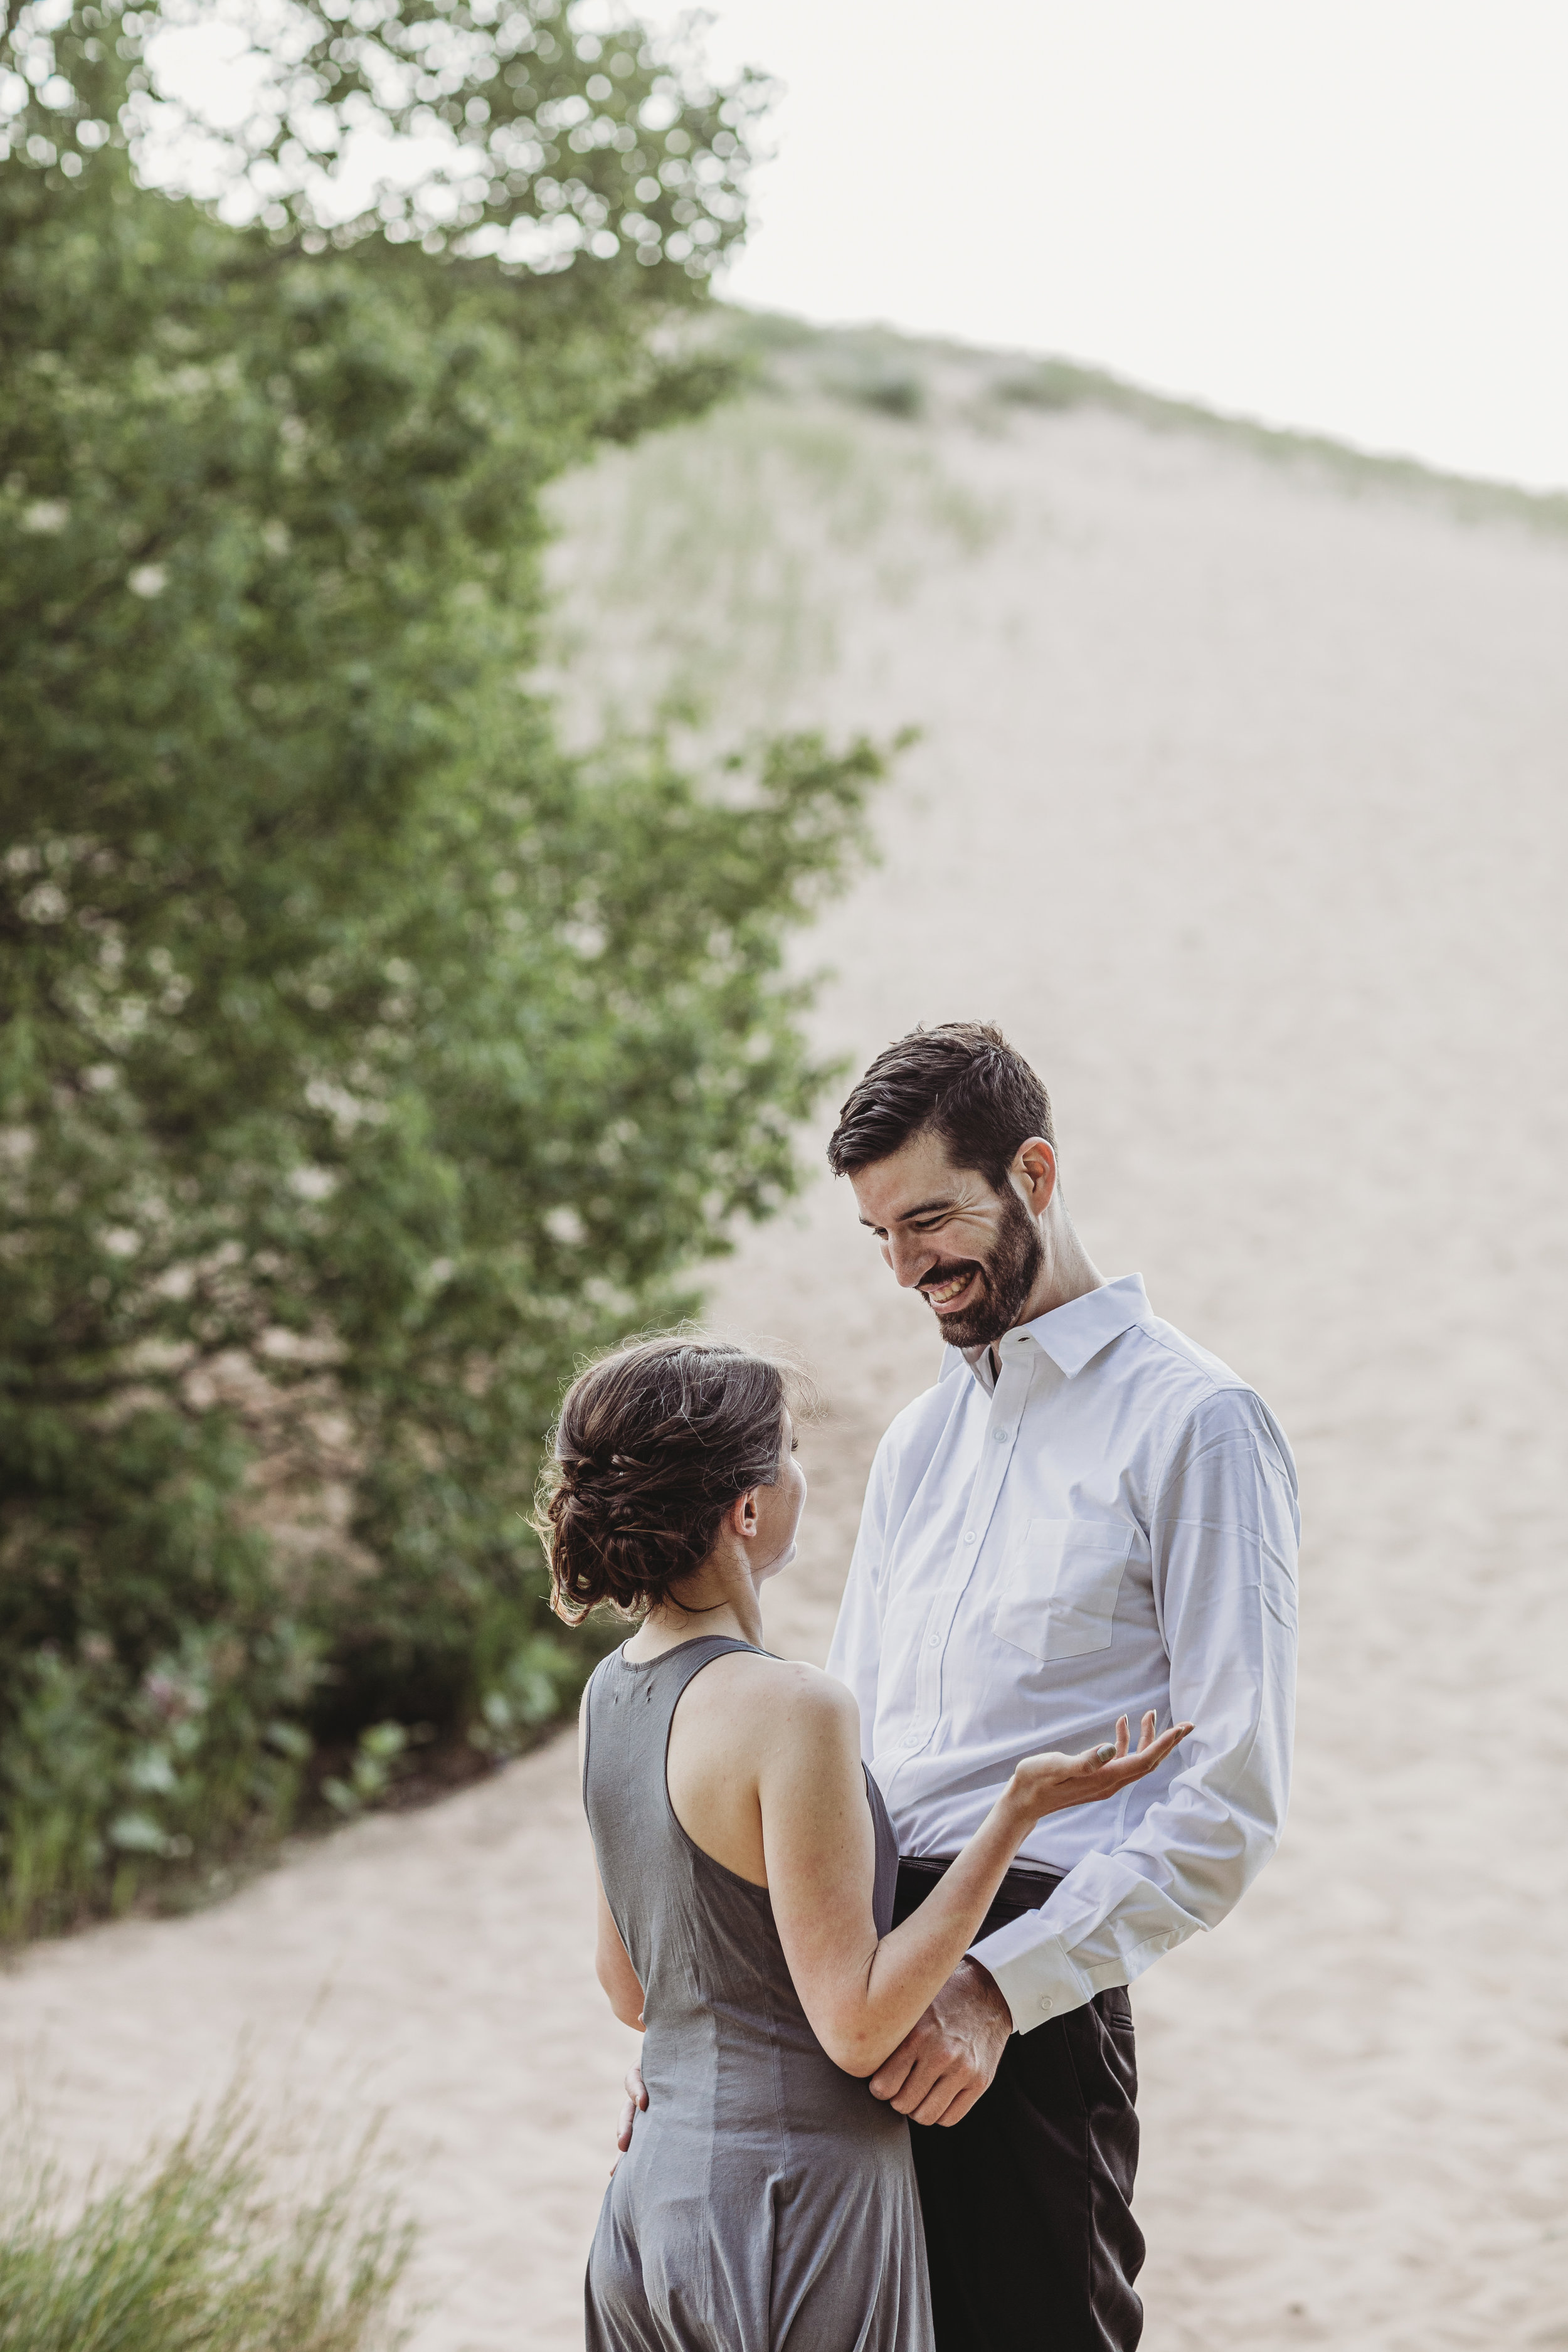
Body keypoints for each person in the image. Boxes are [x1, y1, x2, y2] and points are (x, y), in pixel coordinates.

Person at [548, 1335, 1189, 2351]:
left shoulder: (609, 1696)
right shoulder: (794, 1706)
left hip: (651, 2208)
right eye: (790, 1448)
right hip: (799, 2206)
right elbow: (853, 2022)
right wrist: (1015, 1814)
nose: (805, 1470)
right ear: (745, 1510)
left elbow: (629, 1989)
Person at [815, 1020, 1301, 2350]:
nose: (909, 1269)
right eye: (881, 1240)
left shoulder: (1194, 1424)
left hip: (1021, 1998)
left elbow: (1226, 1806)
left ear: (1032, 1172)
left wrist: (996, 1989)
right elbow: (842, 1750)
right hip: (856, 1972)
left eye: (930, 1221)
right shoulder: (918, 1441)